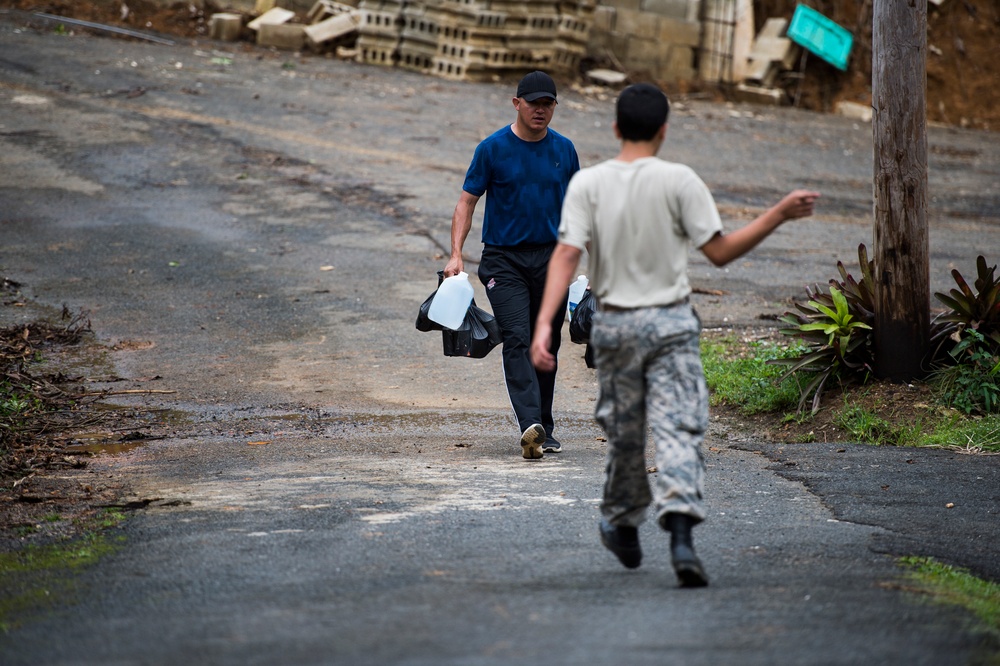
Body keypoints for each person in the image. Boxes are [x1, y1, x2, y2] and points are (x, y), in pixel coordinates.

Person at [529, 83, 819, 587]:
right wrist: (778, 212)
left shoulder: (589, 185)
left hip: (615, 325)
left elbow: (566, 256)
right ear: (664, 130)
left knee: (626, 431)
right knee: (679, 424)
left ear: (616, 128)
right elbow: (721, 252)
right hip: (671, 322)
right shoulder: (681, 181)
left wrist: (542, 326)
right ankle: (681, 533)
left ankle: (622, 523)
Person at [445, 70, 581, 460]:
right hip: (503, 261)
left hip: (552, 258)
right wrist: (457, 253)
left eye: (548, 104)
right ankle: (529, 425)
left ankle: (544, 427)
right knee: (519, 337)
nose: (540, 110)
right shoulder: (492, 149)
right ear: (516, 103)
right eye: (533, 103)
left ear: (554, 107)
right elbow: (466, 202)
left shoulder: (565, 150)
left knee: (547, 341)